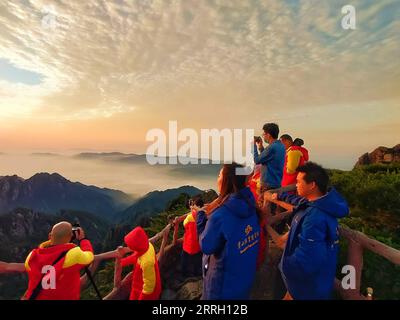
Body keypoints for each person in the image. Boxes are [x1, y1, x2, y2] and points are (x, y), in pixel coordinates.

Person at [266, 162, 349, 300]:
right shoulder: (319, 203)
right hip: (310, 283)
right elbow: (298, 201)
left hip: (306, 287)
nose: (296, 184)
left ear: (312, 185)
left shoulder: (315, 218)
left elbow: (306, 259)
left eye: (299, 181)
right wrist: (279, 196)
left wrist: (283, 266)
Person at [197, 163, 260, 300]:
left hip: (220, 287)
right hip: (243, 281)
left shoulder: (220, 215)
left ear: (227, 181)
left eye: (219, 175)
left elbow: (206, 246)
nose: (217, 178)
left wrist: (201, 218)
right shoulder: (251, 205)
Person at [23, 221, 94, 300]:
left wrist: (56, 238)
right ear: (71, 236)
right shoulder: (73, 255)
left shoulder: (32, 256)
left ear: (50, 236)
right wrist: (83, 239)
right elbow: (89, 256)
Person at [117, 226, 161, 300]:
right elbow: (135, 256)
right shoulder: (147, 246)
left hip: (147, 292)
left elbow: (149, 285)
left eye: (131, 245)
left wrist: (142, 298)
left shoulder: (147, 262)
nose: (128, 246)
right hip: (139, 284)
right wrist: (121, 262)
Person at [253, 123, 286, 192]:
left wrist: (253, 146)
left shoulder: (271, 147)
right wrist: (261, 147)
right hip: (277, 182)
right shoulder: (281, 146)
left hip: (267, 185)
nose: (263, 136)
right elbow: (267, 158)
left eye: (264, 134)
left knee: (265, 202)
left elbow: (257, 160)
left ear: (268, 135)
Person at [179, 196, 204, 278]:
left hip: (189, 243)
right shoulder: (203, 215)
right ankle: (197, 273)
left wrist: (190, 212)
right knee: (197, 259)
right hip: (198, 243)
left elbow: (184, 225)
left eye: (193, 204)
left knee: (184, 258)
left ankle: (184, 274)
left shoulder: (189, 217)